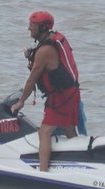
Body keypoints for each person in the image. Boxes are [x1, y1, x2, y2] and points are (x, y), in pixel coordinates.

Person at [12, 10, 83, 172]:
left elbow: (32, 78)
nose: (29, 29)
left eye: (32, 25)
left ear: (42, 27)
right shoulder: (49, 42)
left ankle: (43, 172)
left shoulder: (45, 50)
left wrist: (21, 101)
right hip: (70, 93)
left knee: (44, 131)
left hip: (61, 97)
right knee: (68, 129)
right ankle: (81, 162)